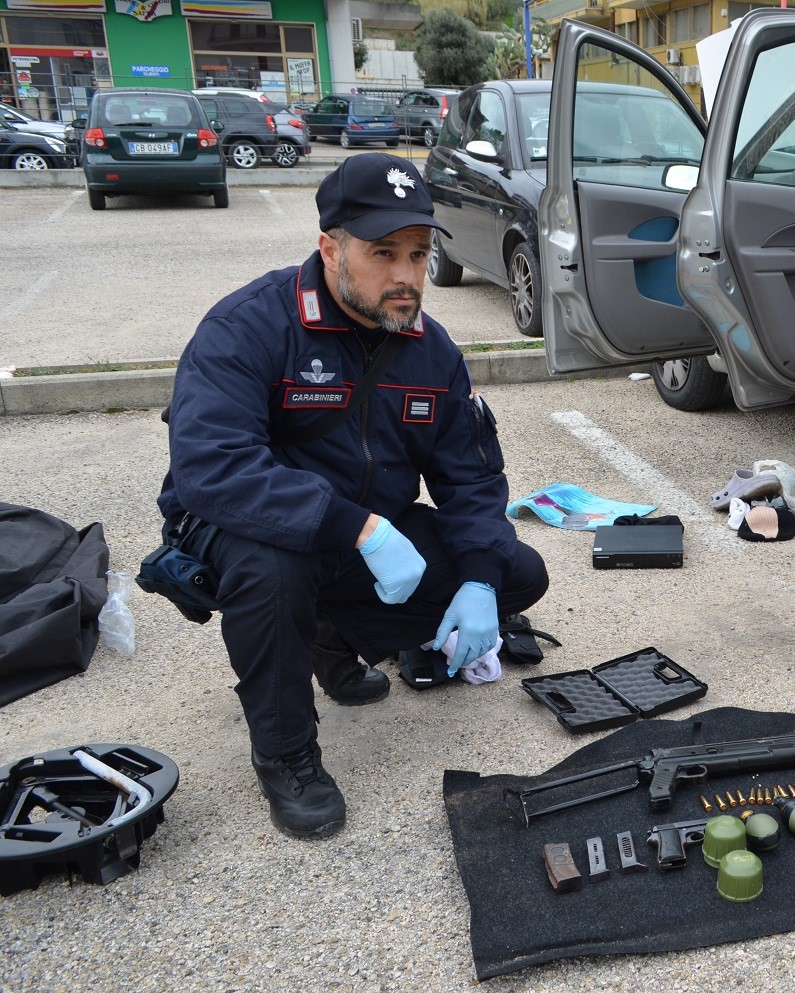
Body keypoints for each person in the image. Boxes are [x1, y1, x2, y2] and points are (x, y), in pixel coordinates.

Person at [156, 153, 549, 837]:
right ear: (330, 248)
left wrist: (481, 578)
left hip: (366, 540)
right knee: (275, 569)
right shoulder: (251, 325)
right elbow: (212, 466)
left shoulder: (431, 350)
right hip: (255, 532)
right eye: (383, 253)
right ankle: (285, 753)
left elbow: (472, 478)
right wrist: (360, 528)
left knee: (515, 570)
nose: (406, 276)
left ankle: (332, 635)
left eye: (419, 253)